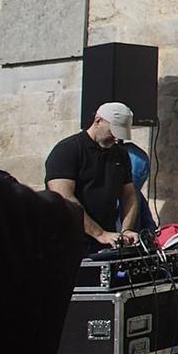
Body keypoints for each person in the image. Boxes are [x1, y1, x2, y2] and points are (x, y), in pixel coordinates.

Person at [44, 103, 140, 248]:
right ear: (98, 121)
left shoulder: (120, 154)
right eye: (112, 131)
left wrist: (126, 230)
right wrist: (99, 233)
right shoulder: (67, 150)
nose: (115, 137)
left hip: (107, 239)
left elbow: (129, 194)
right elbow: (64, 197)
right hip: (70, 241)